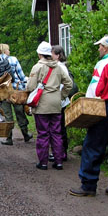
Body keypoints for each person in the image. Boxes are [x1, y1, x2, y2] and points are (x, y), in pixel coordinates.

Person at [69, 35, 108, 199]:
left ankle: (88, 185)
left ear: (105, 47)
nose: (98, 49)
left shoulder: (103, 64)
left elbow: (95, 90)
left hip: (103, 107)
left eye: (99, 46)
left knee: (93, 146)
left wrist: (89, 109)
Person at [27, 42, 72, 170]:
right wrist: (61, 96)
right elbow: (69, 84)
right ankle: (58, 161)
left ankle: (43, 162)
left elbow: (30, 86)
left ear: (40, 54)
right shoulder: (57, 67)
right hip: (56, 103)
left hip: (42, 104)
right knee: (56, 133)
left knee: (43, 133)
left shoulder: (37, 67)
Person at [0, 44, 32, 145]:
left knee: (7, 115)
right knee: (19, 112)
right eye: (8, 49)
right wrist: (25, 83)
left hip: (3, 92)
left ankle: (9, 138)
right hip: (15, 91)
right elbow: (20, 75)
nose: (9, 51)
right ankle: (25, 134)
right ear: (5, 51)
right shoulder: (13, 60)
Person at [50, 45, 79, 162]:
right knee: (60, 127)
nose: (50, 56)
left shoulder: (59, 67)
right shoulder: (62, 66)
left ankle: (61, 153)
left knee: (59, 127)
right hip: (62, 100)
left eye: (52, 53)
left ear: (57, 55)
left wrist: (60, 96)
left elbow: (66, 84)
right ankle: (61, 152)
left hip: (60, 100)